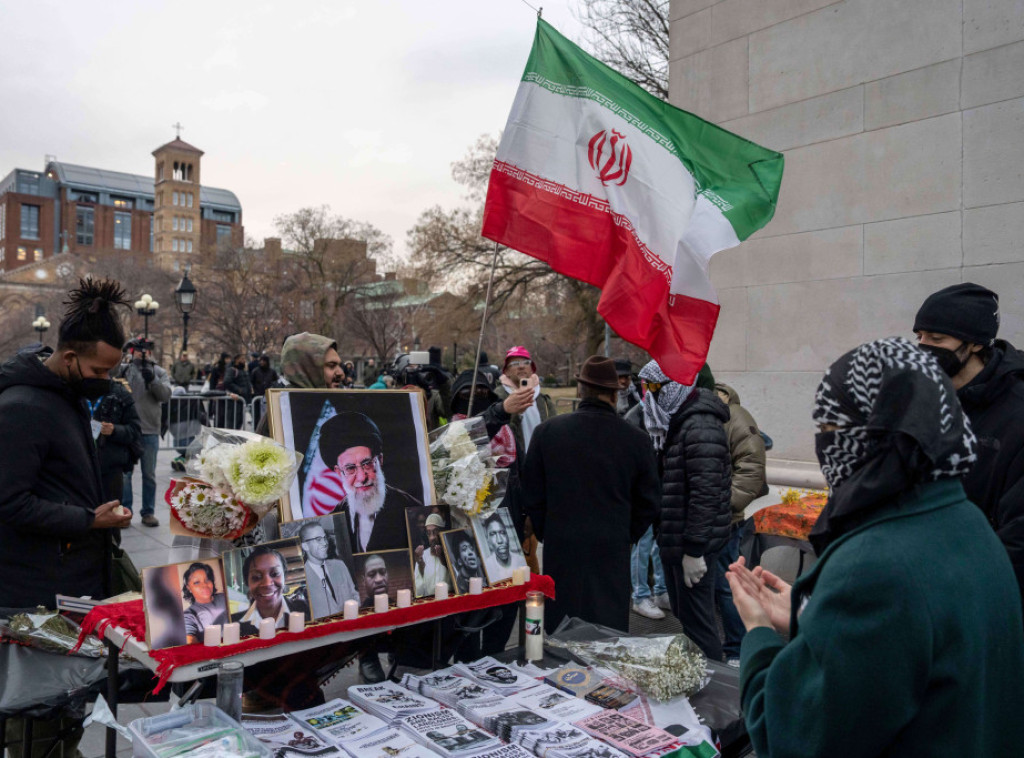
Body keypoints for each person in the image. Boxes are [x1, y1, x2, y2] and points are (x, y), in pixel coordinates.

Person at [727, 336, 1024, 756]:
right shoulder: (966, 521)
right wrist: (807, 616)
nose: (826, 447)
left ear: (875, 437)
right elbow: (904, 654)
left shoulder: (874, 565)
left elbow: (788, 737)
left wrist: (758, 632)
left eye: (833, 430)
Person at [0, 278, 133, 758]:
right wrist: (86, 520)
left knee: (62, 718)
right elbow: (9, 503)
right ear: (71, 358)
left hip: (69, 582)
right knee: (37, 725)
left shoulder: (65, 397)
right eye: (101, 369)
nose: (107, 380)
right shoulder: (22, 407)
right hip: (33, 596)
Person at [522, 356, 661, 632]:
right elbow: (649, 501)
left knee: (561, 628)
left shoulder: (547, 433)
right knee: (607, 632)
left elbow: (531, 494)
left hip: (563, 546)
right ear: (614, 394)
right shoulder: (636, 439)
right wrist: (626, 533)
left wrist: (548, 530)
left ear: (581, 391)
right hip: (611, 546)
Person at [914, 282, 1024, 604]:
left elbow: (1018, 537)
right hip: (928, 580)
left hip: (983, 595)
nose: (923, 348)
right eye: (919, 337)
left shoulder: (1016, 412)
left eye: (936, 339)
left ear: (975, 344)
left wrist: (964, 593)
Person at [641, 359, 732, 661]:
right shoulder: (681, 420)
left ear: (676, 386)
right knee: (687, 623)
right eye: (648, 388)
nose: (651, 395)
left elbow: (706, 493)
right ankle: (698, 683)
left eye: (656, 388)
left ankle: (718, 696)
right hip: (677, 541)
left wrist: (694, 550)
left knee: (699, 626)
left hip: (692, 546)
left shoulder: (700, 423)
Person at [713, 380, 766, 664]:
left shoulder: (736, 416)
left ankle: (737, 649)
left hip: (726, 518)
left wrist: (726, 504)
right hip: (711, 517)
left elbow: (752, 465)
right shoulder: (711, 413)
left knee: (726, 583)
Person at [320, 412, 423, 551]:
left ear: (380, 460)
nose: (362, 477)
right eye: (350, 468)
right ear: (339, 472)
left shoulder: (413, 510)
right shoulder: (333, 520)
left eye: (367, 463)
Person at [119, 338, 172, 526]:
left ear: (150, 352)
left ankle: (148, 512)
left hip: (149, 430)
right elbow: (109, 375)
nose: (142, 353)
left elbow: (165, 395)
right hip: (128, 429)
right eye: (138, 349)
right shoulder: (124, 369)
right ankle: (126, 511)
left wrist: (153, 380)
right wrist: (122, 351)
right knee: (125, 474)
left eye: (146, 350)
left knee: (148, 474)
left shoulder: (159, 371)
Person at [254, 332, 344, 435]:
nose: (341, 374)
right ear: (309, 369)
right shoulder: (281, 411)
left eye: (339, 365)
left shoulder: (338, 406)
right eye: (331, 366)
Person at [232, 545, 309, 636]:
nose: (267, 583)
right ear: (247, 582)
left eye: (275, 573)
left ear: (285, 577)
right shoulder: (233, 624)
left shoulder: (306, 611)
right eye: (256, 577)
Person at [494, 346, 557, 454]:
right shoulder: (497, 398)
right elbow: (496, 436)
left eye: (526, 362)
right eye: (515, 363)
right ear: (507, 371)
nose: (521, 367)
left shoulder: (544, 401)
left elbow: (555, 435)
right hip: (514, 465)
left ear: (532, 369)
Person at [93, 375, 143, 506]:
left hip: (111, 467)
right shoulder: (77, 392)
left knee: (112, 515)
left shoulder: (120, 393)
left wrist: (114, 430)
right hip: (82, 466)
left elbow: (135, 429)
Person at [299, 521, 357, 618]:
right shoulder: (302, 578)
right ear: (305, 546)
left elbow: (354, 594)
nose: (325, 543)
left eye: (325, 538)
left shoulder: (340, 565)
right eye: (318, 539)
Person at [182, 562, 227, 644]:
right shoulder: (189, 615)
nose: (204, 585)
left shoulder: (225, 597)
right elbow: (189, 639)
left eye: (207, 580)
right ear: (189, 588)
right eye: (197, 582)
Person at [413, 513, 450, 596]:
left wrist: (443, 559)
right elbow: (419, 592)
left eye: (435, 532)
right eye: (429, 533)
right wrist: (421, 566)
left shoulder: (450, 553)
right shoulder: (423, 556)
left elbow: (456, 585)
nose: (432, 537)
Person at [449, 531, 486, 595]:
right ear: (459, 561)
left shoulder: (482, 578)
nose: (470, 552)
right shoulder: (460, 587)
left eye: (471, 548)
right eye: (464, 549)